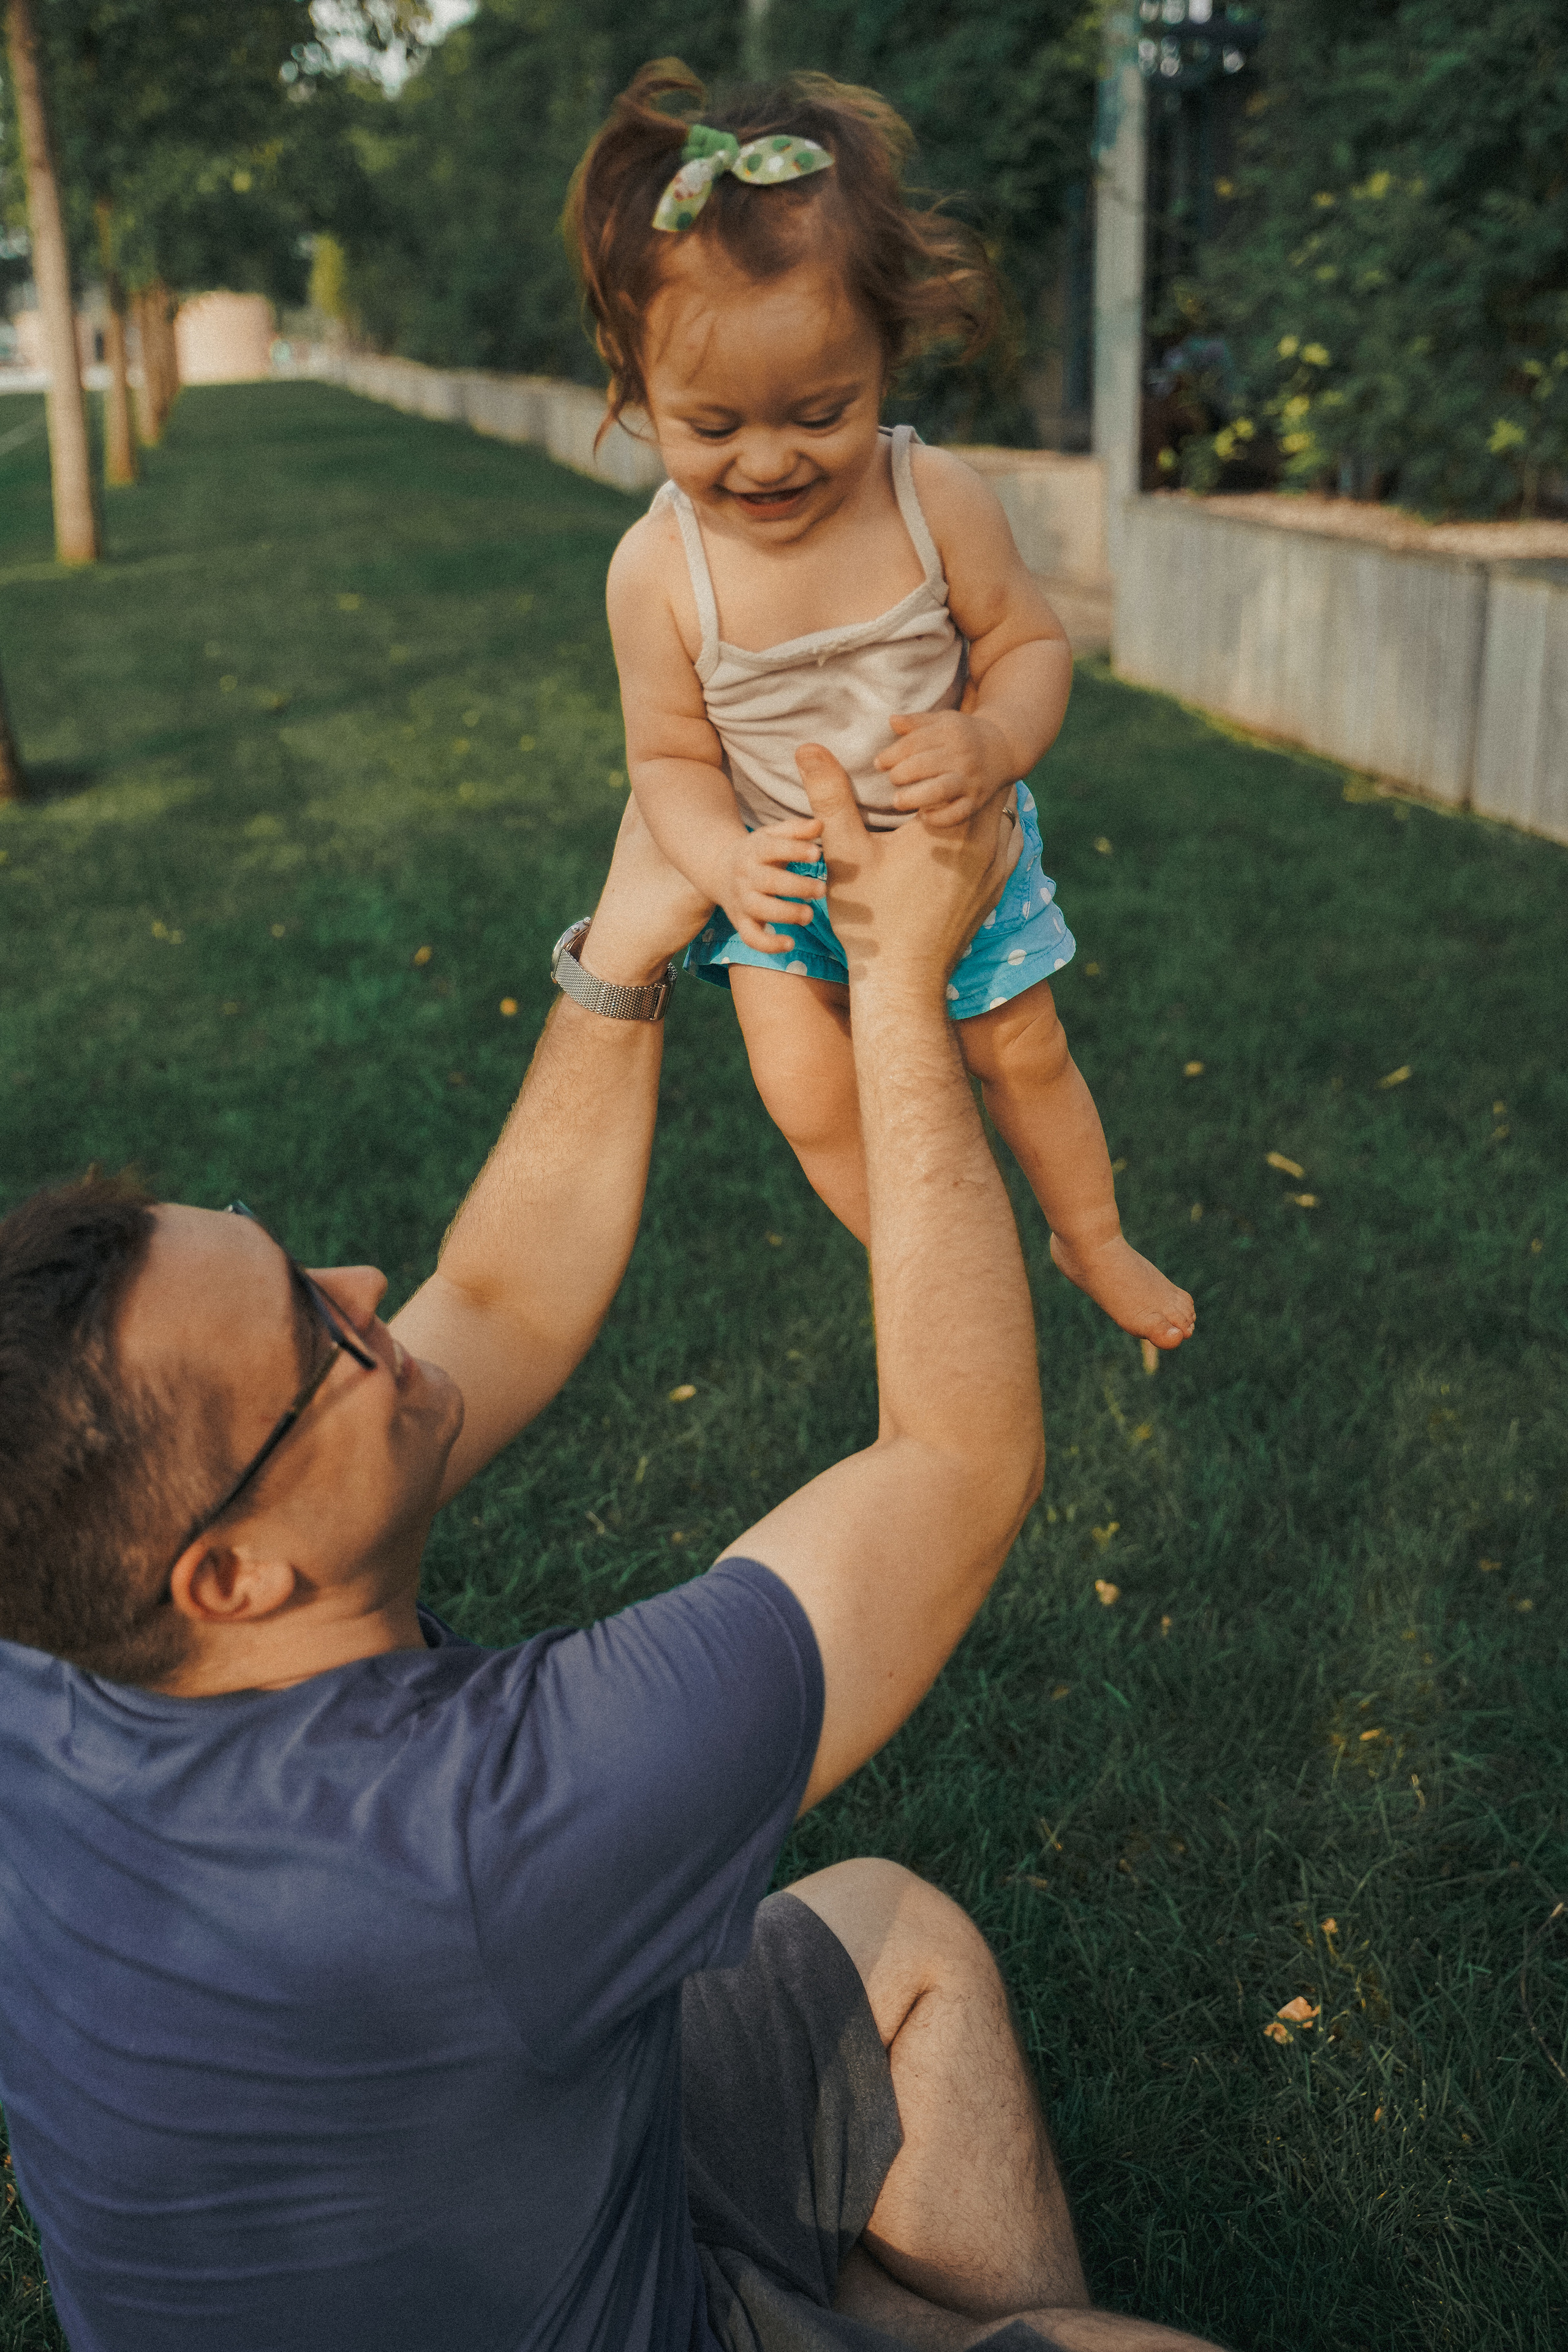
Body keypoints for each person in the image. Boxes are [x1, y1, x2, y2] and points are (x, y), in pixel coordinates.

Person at [0, 764, 1220, 2352]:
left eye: (292, 1255)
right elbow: (956, 1465)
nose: (374, 1281)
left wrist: (623, 953)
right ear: (228, 1579)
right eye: (320, 1331)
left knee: (899, 1944)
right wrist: (904, 993)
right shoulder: (486, 1830)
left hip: (446, 2223)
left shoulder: (53, 1645)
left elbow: (496, 1297)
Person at [570, 60, 1194, 1355]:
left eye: (820, 412)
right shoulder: (656, 574)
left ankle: (1091, 1237)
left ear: (885, 353)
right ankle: (920, 1258)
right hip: (786, 885)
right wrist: (721, 863)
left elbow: (1027, 641)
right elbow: (668, 755)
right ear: (635, 393)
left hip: (952, 858)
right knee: (804, 1092)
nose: (767, 460)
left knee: (1019, 1055)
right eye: (710, 425)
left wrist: (993, 738)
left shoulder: (934, 500)